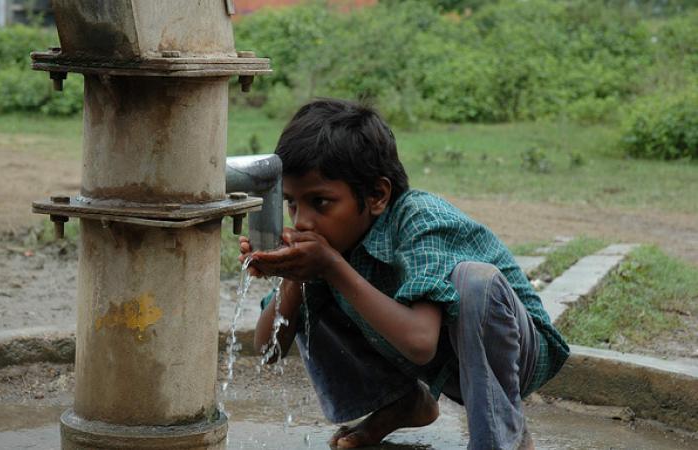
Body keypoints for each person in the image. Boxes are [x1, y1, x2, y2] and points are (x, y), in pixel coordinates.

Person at [238, 99, 569, 450]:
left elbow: (420, 343)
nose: (302, 221)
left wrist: (332, 267)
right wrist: (295, 275)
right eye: (292, 203)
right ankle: (403, 402)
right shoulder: (335, 240)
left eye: (320, 202)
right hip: (436, 356)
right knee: (317, 286)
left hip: (515, 352)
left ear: (378, 195)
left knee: (473, 282)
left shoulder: (420, 220)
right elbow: (266, 350)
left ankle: (506, 438)